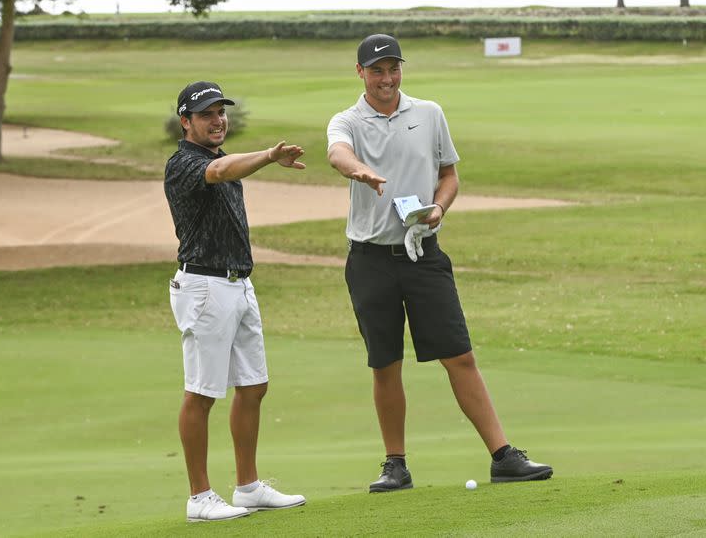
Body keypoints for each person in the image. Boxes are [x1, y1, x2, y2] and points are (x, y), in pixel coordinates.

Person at [326, 34, 553, 492]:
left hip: (422, 254)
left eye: (393, 68)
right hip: (370, 260)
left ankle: (503, 455)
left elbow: (448, 174)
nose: (387, 79)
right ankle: (396, 465)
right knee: (385, 363)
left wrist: (439, 208)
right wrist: (360, 171)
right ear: (360, 73)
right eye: (377, 70)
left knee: (459, 356)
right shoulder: (346, 120)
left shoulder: (428, 113)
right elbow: (337, 153)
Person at [164, 81, 307, 522]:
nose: (217, 120)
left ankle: (247, 487)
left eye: (221, 112)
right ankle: (199, 497)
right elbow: (223, 173)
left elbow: (226, 169)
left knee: (253, 385)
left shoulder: (218, 158)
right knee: (202, 392)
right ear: (186, 121)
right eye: (206, 114)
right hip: (204, 288)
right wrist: (267, 156)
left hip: (239, 283)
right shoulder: (184, 164)